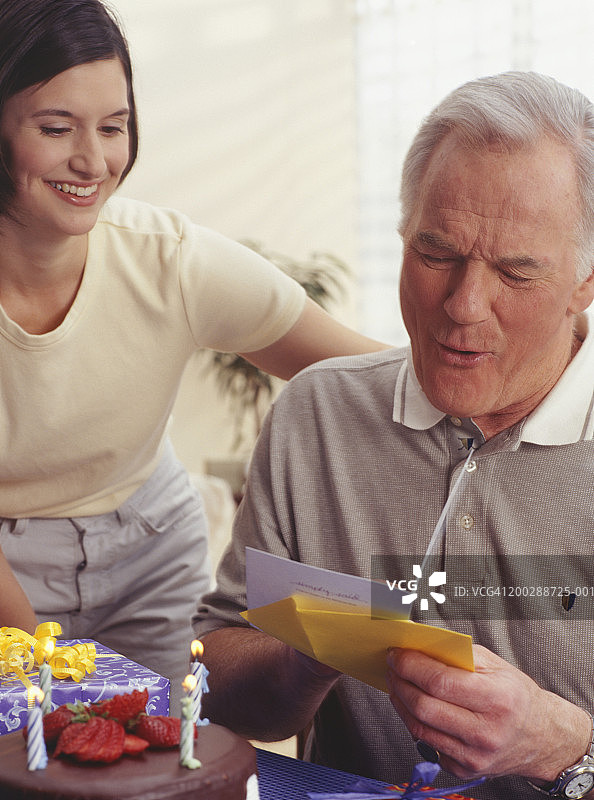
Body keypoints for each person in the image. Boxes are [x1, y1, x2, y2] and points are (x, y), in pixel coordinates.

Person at [194, 70, 594, 800]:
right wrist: (301, 659)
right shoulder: (318, 415)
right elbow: (211, 680)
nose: (465, 305)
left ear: (585, 281)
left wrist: (564, 747)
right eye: (436, 253)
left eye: (515, 272)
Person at [0, 0, 388, 708]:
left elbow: (368, 377)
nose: (93, 161)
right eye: (56, 128)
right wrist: (47, 688)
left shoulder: (169, 259)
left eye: (113, 127)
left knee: (169, 757)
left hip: (152, 550)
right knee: (40, 760)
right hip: (10, 569)